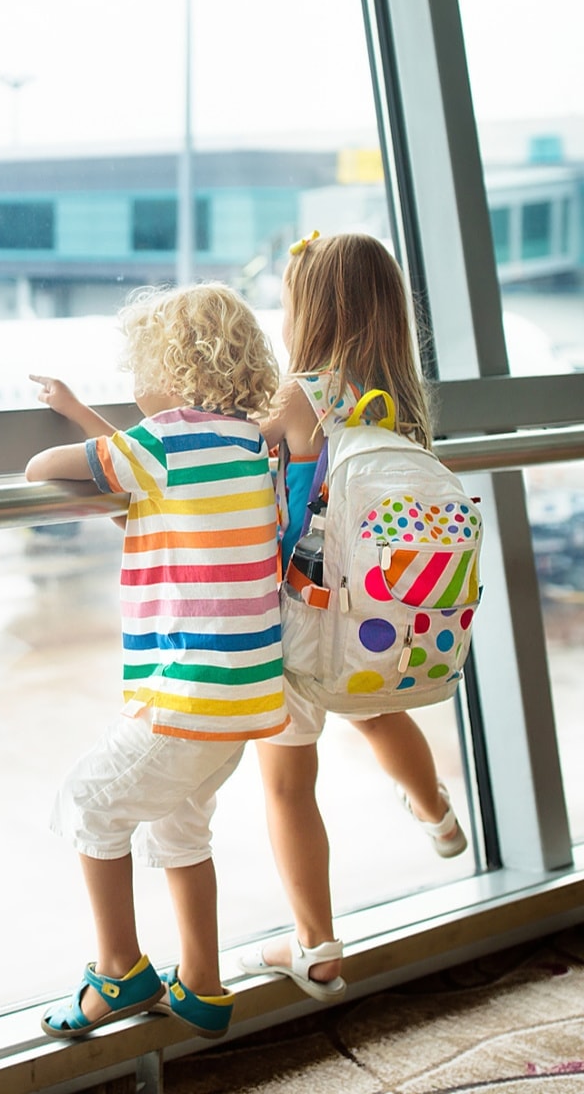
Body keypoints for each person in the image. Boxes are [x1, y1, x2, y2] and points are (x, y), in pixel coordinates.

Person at [26, 281, 286, 1039]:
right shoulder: (244, 443)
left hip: (183, 702)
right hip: (241, 708)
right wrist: (86, 416)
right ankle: (202, 986)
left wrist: (73, 434)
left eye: (139, 362)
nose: (133, 380)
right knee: (180, 833)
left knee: (88, 804)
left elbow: (47, 468)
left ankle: (119, 972)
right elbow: (164, 490)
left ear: (172, 365)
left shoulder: (162, 443)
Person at [238, 230, 468, 1003]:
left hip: (303, 623)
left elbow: (239, 451)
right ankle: (436, 813)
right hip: (387, 626)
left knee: (287, 788)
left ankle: (317, 946)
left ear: (310, 308)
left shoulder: (302, 393)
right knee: (377, 715)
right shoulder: (403, 402)